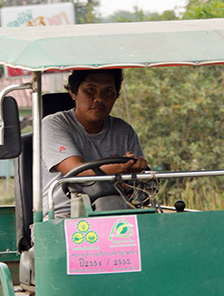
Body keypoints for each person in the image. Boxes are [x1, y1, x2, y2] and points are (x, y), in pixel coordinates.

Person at [41, 69, 149, 217]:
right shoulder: (54, 124)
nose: (99, 98)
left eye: (108, 91)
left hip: (117, 215)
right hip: (64, 216)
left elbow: (140, 192)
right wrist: (120, 169)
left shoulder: (123, 131)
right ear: (73, 92)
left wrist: (134, 174)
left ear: (115, 96)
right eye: (91, 90)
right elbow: (77, 173)